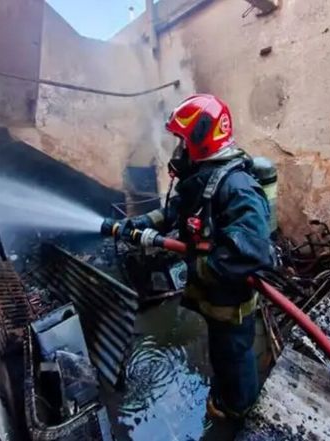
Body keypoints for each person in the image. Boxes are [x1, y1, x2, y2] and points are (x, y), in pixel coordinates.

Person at [117, 94, 274, 419]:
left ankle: (239, 407)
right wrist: (140, 225)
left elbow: (250, 252)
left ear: (202, 139)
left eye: (182, 141)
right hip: (213, 296)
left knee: (234, 353)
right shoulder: (201, 178)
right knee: (221, 349)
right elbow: (176, 211)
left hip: (230, 301)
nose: (179, 149)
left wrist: (200, 267)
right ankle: (228, 392)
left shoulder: (236, 187)